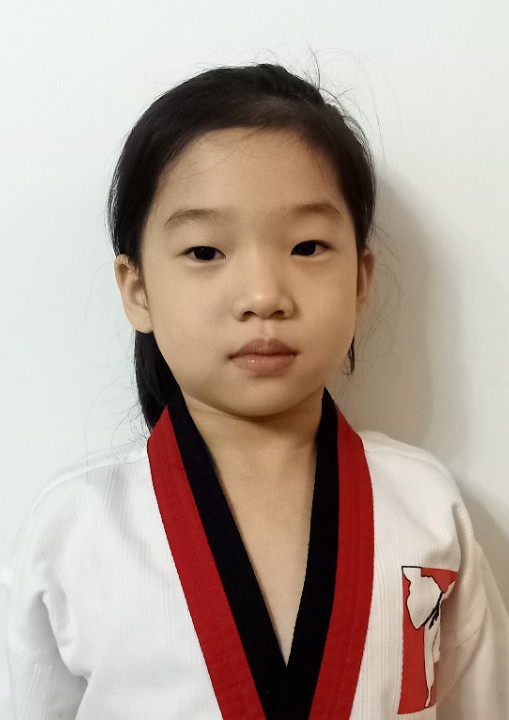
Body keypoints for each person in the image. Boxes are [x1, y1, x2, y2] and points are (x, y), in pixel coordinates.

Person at [1, 62, 508, 720]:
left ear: (360, 280)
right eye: (205, 252)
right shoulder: (75, 529)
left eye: (307, 246)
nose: (264, 295)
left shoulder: (427, 508)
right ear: (138, 289)